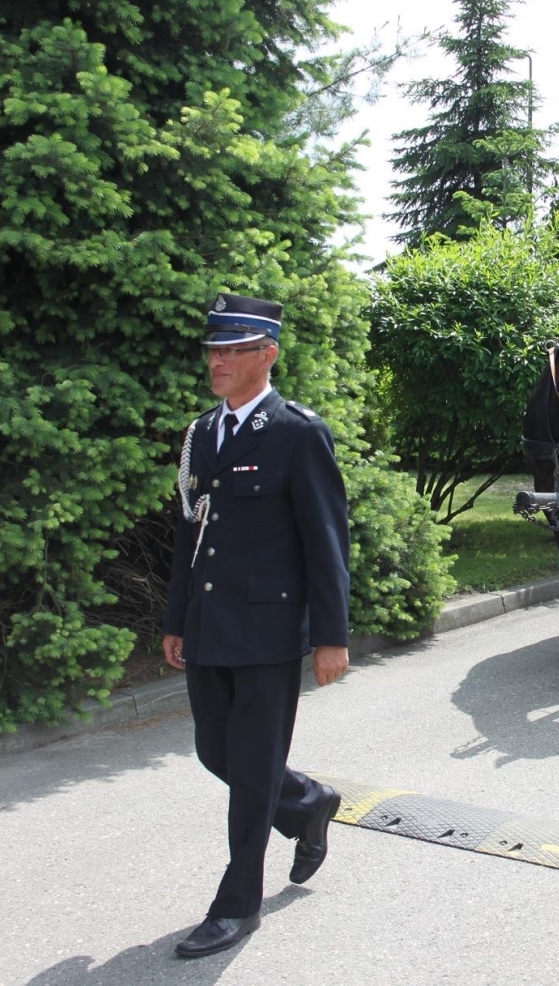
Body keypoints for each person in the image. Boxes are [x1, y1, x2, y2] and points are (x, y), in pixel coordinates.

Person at [164, 293, 352, 958]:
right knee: (215, 752)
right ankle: (304, 802)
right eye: (212, 349)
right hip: (209, 624)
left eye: (231, 350)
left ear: (266, 354)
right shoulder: (203, 433)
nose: (216, 361)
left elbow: (326, 540)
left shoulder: (297, 433)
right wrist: (177, 617)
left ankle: (236, 905)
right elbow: (189, 535)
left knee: (248, 768)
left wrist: (331, 636)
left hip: (268, 631)